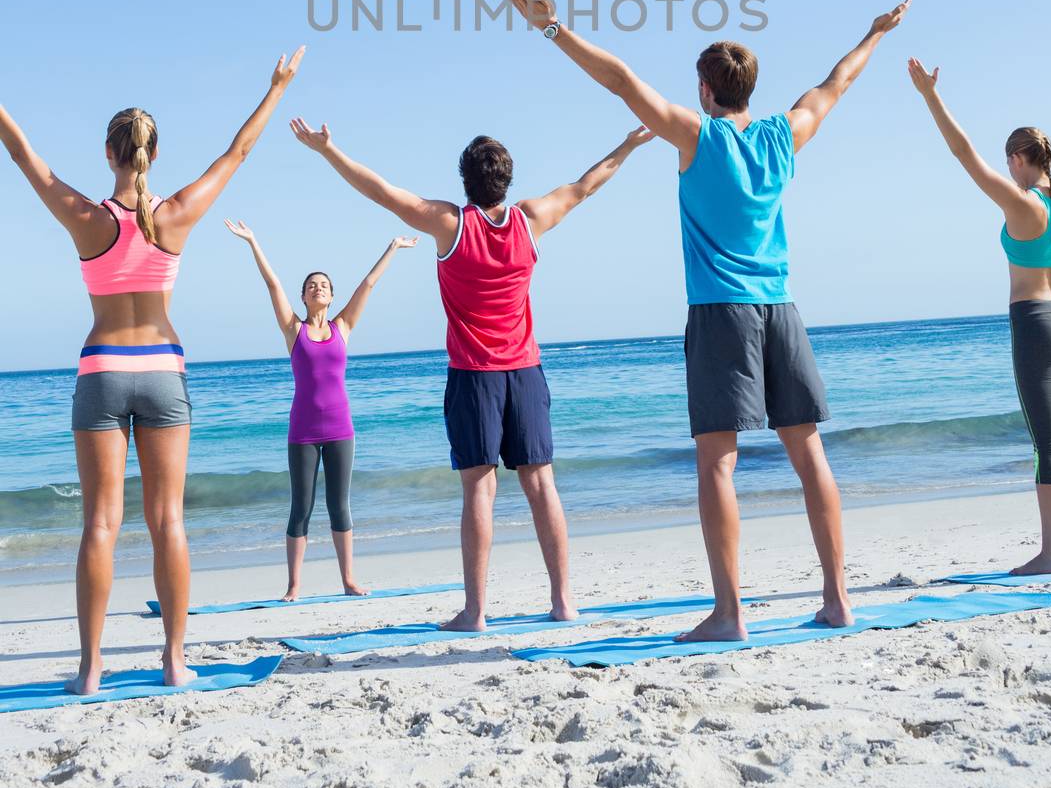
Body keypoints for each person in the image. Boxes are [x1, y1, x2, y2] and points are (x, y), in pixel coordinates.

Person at [501, 0, 911, 641]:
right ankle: (837, 599)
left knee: (717, 463)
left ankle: (728, 614)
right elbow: (837, 81)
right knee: (808, 454)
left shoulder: (697, 138)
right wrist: (876, 33)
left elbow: (622, 81)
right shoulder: (784, 134)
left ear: (704, 89)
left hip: (722, 313)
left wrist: (551, 28)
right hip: (781, 310)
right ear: (748, 88)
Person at [0, 48, 304, 694]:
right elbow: (238, 152)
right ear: (153, 156)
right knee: (168, 521)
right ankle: (173, 660)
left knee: (99, 525)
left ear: (108, 153)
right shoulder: (176, 213)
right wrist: (277, 87)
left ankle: (88, 668)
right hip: (163, 372)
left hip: (102, 372)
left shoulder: (86, 218)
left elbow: (24, 156)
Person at [290, 114, 652, 629]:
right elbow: (584, 186)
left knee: (480, 491)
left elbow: (383, 193)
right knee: (542, 486)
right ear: (507, 179)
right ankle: (563, 602)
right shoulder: (531, 219)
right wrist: (629, 144)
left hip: (473, 375)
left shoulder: (450, 224)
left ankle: (476, 612)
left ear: (466, 180)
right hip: (525, 372)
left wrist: (329, 151)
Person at [908, 59, 1051, 575]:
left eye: (1009, 159)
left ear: (1021, 158)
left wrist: (931, 96)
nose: (1007, 167)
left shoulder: (1025, 207)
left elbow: (963, 154)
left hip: (1037, 325)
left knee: (1050, 443)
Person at [224, 219, 416, 599]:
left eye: (325, 286)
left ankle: (348, 580)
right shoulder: (293, 330)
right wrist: (252, 241)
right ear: (304, 296)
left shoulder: (342, 327)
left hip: (341, 430)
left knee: (339, 506)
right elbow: (272, 284)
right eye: (313, 286)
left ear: (330, 296)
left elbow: (368, 285)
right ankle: (294, 585)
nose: (319, 289)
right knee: (301, 507)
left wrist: (392, 248)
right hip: (304, 432)